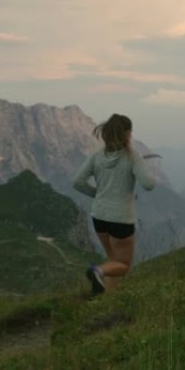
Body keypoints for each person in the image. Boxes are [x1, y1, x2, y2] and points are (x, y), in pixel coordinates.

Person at [73, 114, 156, 295]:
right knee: (124, 266)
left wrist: (98, 195)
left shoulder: (96, 156)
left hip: (99, 217)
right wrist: (152, 171)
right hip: (121, 218)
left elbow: (77, 182)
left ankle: (108, 299)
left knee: (112, 259)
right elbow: (149, 184)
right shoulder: (132, 157)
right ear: (127, 133)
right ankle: (97, 271)